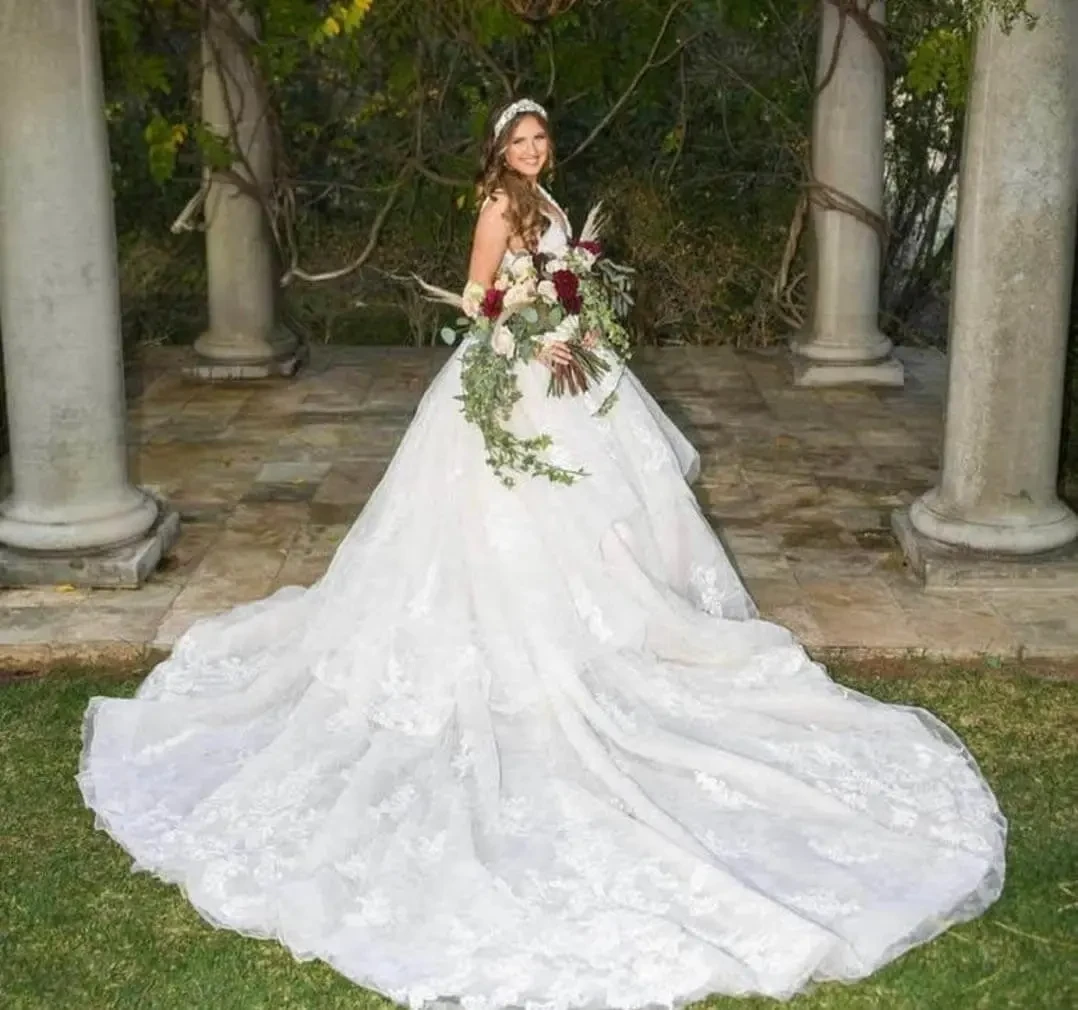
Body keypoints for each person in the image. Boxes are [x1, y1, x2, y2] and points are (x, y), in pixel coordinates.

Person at [79, 98, 1006, 1008]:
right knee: (496, 525)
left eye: (539, 137)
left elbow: (561, 276)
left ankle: (619, 632)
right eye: (518, 139)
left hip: (569, 372)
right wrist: (537, 329)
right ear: (498, 152)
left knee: (612, 520)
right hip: (514, 382)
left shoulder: (554, 206)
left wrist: (580, 322)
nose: (531, 149)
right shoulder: (495, 206)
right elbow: (483, 298)